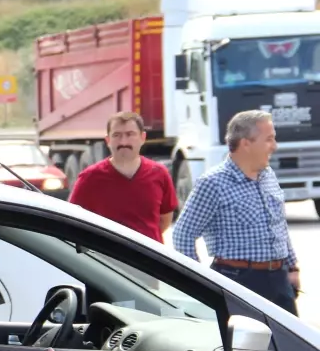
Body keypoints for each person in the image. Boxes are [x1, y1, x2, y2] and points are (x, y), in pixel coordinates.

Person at [173, 110, 301, 315]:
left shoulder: (268, 175)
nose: (274, 146)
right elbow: (183, 234)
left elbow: (279, 225)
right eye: (269, 139)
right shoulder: (213, 183)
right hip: (237, 281)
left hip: (279, 281)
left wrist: (292, 267)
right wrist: (199, 282)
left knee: (293, 346)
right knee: (244, 347)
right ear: (246, 143)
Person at [69, 113, 177, 242]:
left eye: (130, 134)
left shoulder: (160, 174)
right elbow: (73, 219)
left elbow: (164, 220)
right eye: (117, 135)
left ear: (142, 138)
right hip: (106, 259)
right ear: (108, 140)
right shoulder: (89, 178)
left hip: (149, 258)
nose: (123, 142)